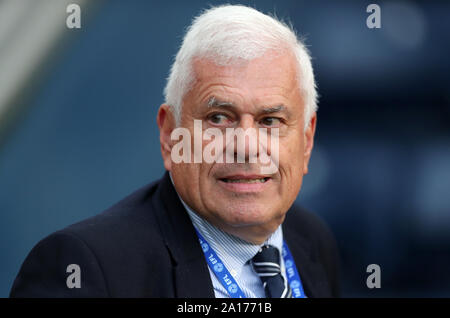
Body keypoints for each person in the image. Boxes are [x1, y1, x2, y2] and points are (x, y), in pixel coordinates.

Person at [10, 4, 340, 298]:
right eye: (219, 118)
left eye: (270, 120)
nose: (247, 147)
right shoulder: (84, 269)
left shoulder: (310, 239)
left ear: (307, 142)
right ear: (170, 136)